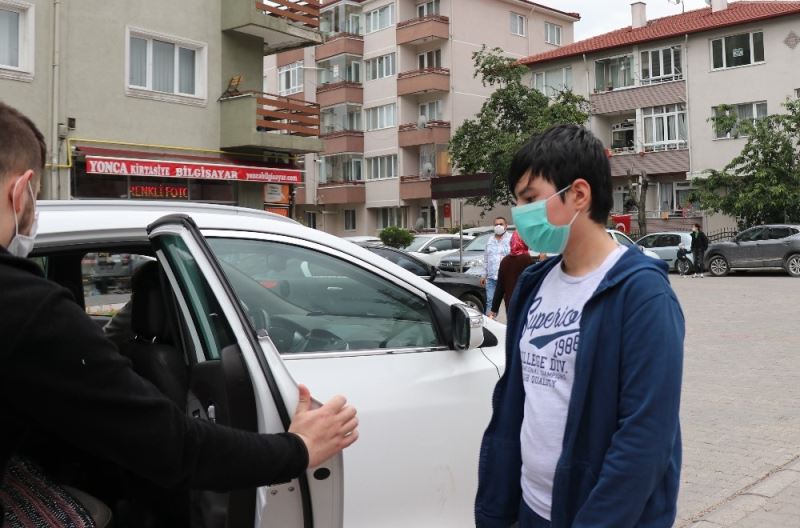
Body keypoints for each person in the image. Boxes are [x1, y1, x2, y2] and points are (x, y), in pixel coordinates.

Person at [0, 102, 359, 523]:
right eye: (37, 198)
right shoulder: (27, 308)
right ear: (21, 191)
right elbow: (173, 449)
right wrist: (299, 448)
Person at [475, 125, 684, 528]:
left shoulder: (642, 295)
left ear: (579, 195)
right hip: (530, 508)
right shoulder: (534, 283)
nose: (519, 214)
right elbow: (517, 405)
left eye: (530, 199)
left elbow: (645, 437)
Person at [488, 231, 534, 320]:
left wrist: (494, 309)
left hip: (510, 304)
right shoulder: (527, 259)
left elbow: (500, 288)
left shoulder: (505, 261)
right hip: (525, 304)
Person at [481, 216, 512, 315]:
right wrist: (483, 275)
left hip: (507, 279)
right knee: (490, 302)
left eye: (501, 224)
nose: (498, 226)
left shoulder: (512, 239)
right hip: (492, 278)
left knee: (510, 303)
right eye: (496, 224)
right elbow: (486, 258)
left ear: (506, 226)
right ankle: (489, 323)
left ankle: (511, 323)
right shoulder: (490, 240)